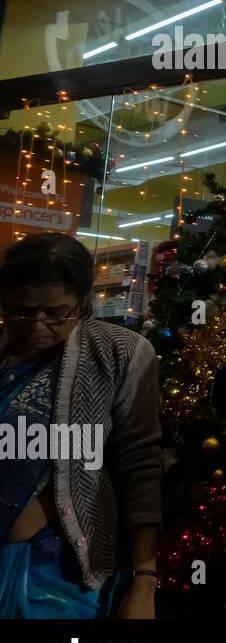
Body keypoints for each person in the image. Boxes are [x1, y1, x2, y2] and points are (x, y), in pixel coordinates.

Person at [0, 233, 161, 619]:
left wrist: (144, 582)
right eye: (21, 310)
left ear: (83, 301)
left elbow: (139, 464)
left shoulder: (117, 353)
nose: (37, 324)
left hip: (61, 573)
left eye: (55, 313)